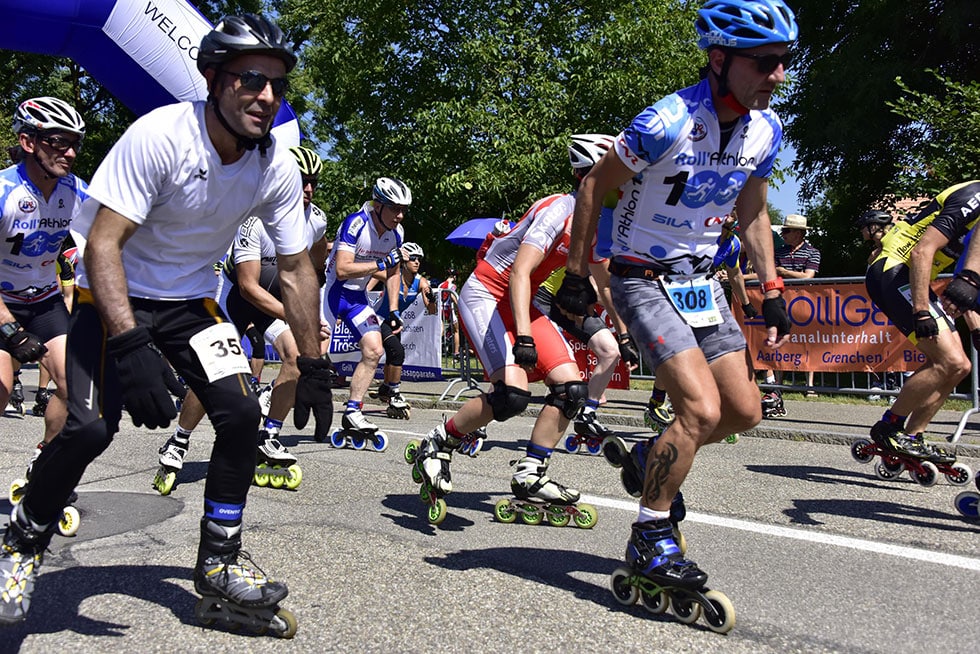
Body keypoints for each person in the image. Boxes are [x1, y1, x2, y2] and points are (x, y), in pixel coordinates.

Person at [0, 15, 331, 634]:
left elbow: (297, 271)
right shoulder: (161, 135)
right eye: (250, 79)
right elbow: (101, 245)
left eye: (277, 86)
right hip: (113, 294)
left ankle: (219, 565)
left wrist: (312, 362)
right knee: (91, 428)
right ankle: (21, 539)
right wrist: (129, 344)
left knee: (240, 417)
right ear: (212, 77)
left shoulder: (276, 165)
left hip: (189, 305)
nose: (265, 96)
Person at [554, 0, 795, 617]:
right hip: (641, 276)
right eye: (764, 63)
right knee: (698, 407)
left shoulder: (765, 131)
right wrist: (579, 275)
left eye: (784, 62)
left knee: (742, 412)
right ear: (719, 60)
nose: (778, 75)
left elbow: (754, 211)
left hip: (702, 280)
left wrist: (770, 289)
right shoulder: (665, 121)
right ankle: (650, 534)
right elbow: (594, 184)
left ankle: (646, 456)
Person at [409, 134, 619, 527]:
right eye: (608, 172)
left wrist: (626, 332)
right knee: (511, 396)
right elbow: (520, 271)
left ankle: (530, 474)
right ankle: (439, 441)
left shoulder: (594, 221)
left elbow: (603, 280)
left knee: (572, 390)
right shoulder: (559, 208)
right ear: (582, 174)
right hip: (488, 292)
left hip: (520, 298)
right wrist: (523, 336)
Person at [152, 144, 332, 494]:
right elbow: (249, 287)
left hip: (275, 302)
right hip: (238, 301)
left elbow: (313, 268)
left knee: (296, 358)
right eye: (301, 181)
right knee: (214, 375)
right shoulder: (256, 217)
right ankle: (178, 440)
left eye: (313, 182)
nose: (308, 189)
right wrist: (296, 317)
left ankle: (269, 434)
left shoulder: (317, 220)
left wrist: (310, 311)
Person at [0, 97, 87, 483]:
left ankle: (44, 466)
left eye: (75, 144)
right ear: (28, 141)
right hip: (3, 305)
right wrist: (8, 329)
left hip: (44, 301)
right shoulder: (3, 191)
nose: (69, 152)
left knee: (76, 388)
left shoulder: (75, 191)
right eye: (58, 141)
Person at [865, 180, 980, 462]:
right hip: (895, 271)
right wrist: (921, 311)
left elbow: (968, 279)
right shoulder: (974, 196)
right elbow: (922, 251)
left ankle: (913, 435)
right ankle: (889, 426)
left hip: (913, 276)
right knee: (949, 361)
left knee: (960, 366)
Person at [322, 176, 408, 442]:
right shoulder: (356, 223)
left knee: (374, 350)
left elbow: (394, 272)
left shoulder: (397, 234)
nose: (400, 215)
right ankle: (270, 394)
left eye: (404, 209)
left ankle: (353, 411)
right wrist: (380, 265)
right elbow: (343, 269)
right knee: (313, 359)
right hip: (331, 293)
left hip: (357, 298)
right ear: (379, 205)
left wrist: (393, 310)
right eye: (395, 208)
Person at [747, 213, 820, 406]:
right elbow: (767, 273)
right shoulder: (779, 253)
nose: (783, 234)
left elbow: (808, 277)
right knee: (781, 339)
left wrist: (784, 273)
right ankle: (777, 384)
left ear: (798, 233)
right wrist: (737, 276)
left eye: (787, 231)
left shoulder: (813, 252)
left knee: (807, 341)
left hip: (805, 302)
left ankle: (809, 385)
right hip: (782, 301)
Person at [372, 241, 437, 419]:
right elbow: (370, 274)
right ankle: (394, 393)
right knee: (397, 351)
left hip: (395, 321)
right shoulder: (393, 275)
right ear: (404, 261)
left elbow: (432, 311)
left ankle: (386, 388)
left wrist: (432, 299)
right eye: (413, 259)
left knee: (394, 355)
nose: (417, 262)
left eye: (419, 260)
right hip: (380, 318)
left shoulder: (421, 282)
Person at [856, 210, 899, 401]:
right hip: (878, 305)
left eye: (863, 228)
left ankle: (895, 385)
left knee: (896, 344)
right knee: (878, 344)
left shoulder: (895, 244)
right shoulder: (873, 252)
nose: (861, 232)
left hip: (896, 303)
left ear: (874, 227)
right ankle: (878, 383)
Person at [438, 267, 461, 361]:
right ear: (454, 276)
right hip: (449, 310)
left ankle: (436, 349)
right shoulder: (453, 286)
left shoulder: (440, 285)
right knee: (456, 330)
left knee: (441, 330)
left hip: (440, 309)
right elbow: (452, 295)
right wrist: (459, 305)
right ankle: (456, 353)